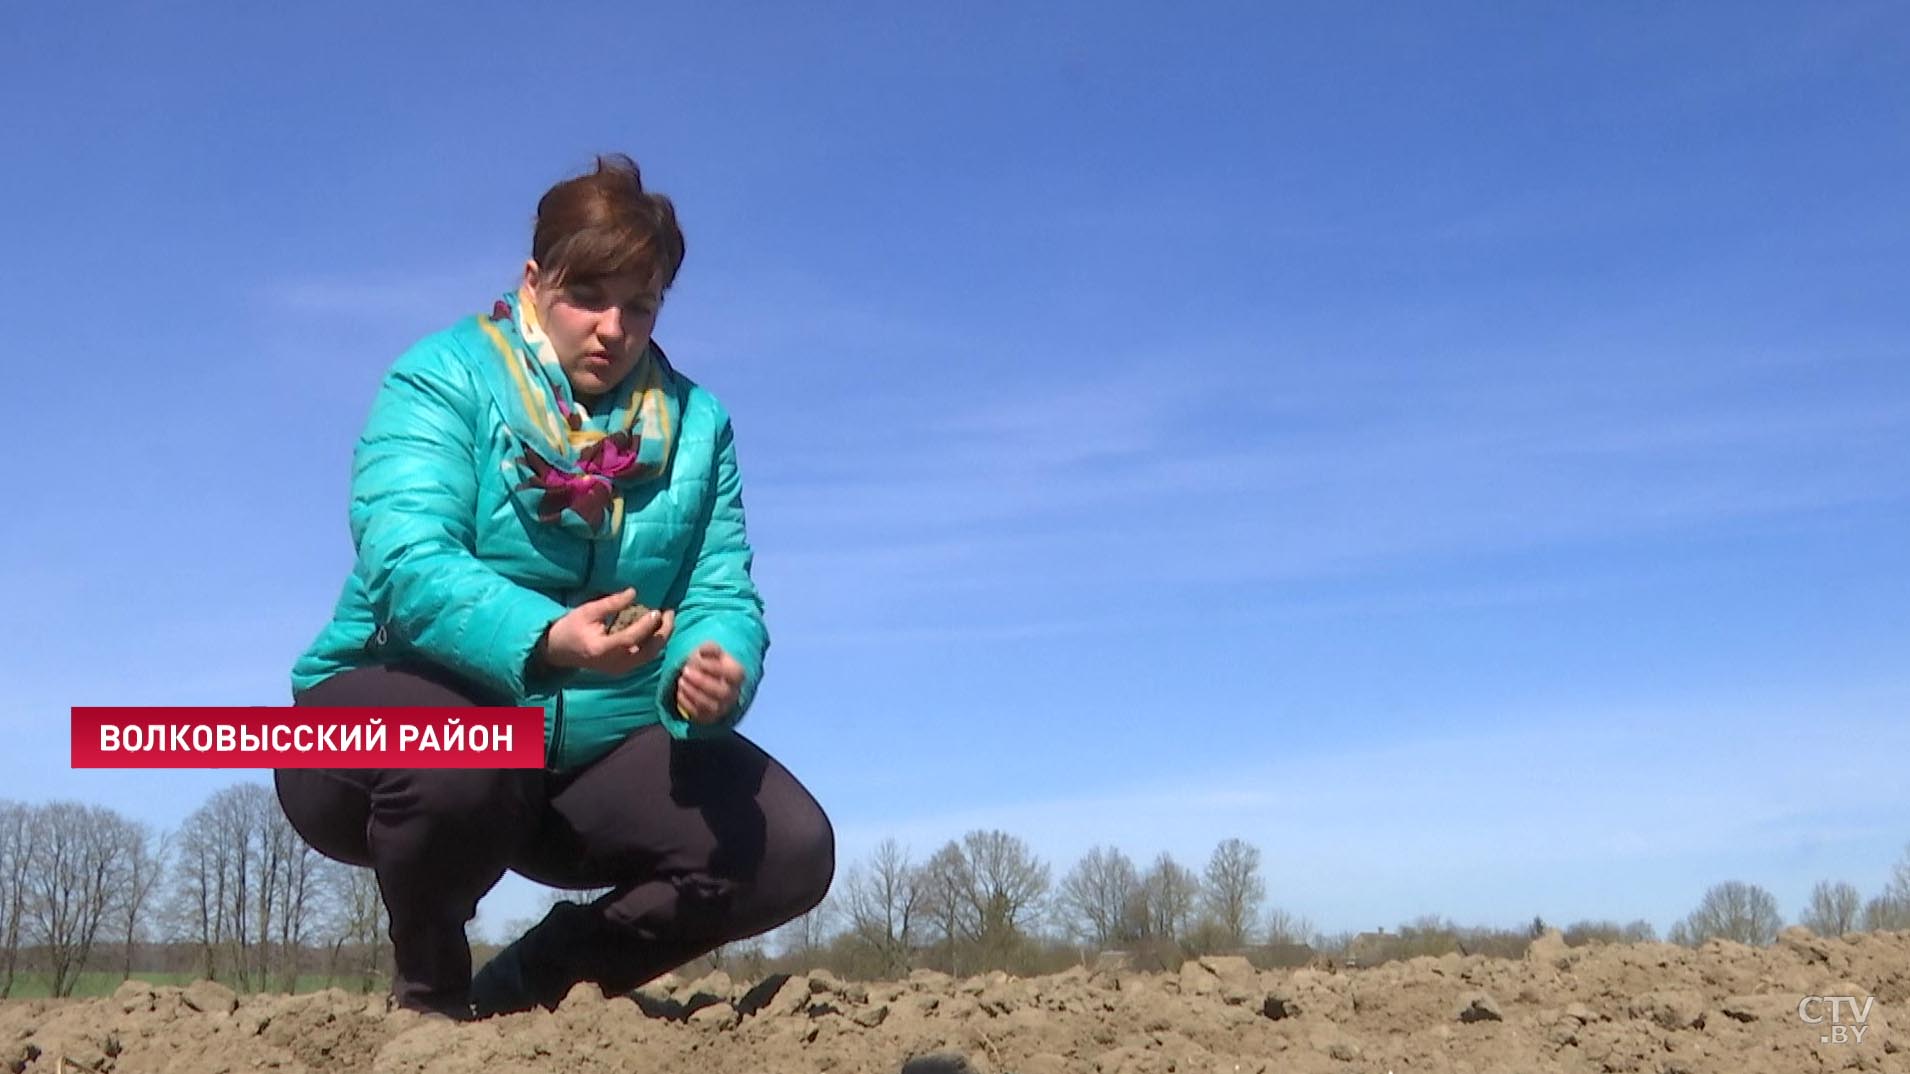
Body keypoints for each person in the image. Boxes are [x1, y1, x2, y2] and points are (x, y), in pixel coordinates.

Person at [275, 154, 834, 1021]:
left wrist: (712, 662)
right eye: (589, 295)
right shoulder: (441, 377)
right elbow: (406, 559)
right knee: (469, 757)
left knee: (789, 847)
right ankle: (430, 1002)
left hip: (585, 763)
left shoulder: (700, 427)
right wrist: (545, 639)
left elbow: (721, 587)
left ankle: (537, 988)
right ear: (535, 282)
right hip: (385, 739)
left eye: (639, 304)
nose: (613, 327)